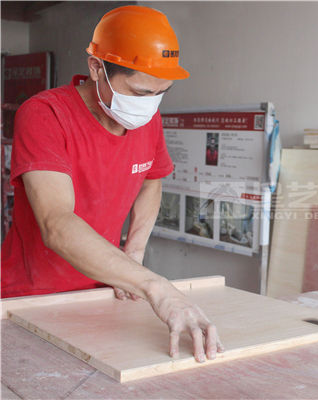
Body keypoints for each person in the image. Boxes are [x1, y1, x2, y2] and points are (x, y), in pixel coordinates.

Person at [0, 5, 224, 363]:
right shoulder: (45, 115)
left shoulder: (147, 119)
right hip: (31, 297)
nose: (149, 105)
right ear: (96, 68)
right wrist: (155, 286)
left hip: (105, 290)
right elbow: (57, 224)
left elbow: (151, 179)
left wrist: (133, 254)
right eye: (139, 92)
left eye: (161, 93)